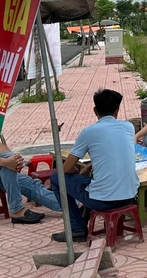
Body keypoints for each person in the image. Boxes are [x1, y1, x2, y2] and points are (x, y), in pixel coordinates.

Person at [51, 88, 139, 242]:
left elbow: (66, 168)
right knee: (91, 182)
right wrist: (91, 166)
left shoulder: (89, 131)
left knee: (56, 178)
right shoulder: (128, 127)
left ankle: (77, 228)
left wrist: (78, 172)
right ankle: (81, 218)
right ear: (117, 110)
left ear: (94, 110)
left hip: (103, 201)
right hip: (129, 196)